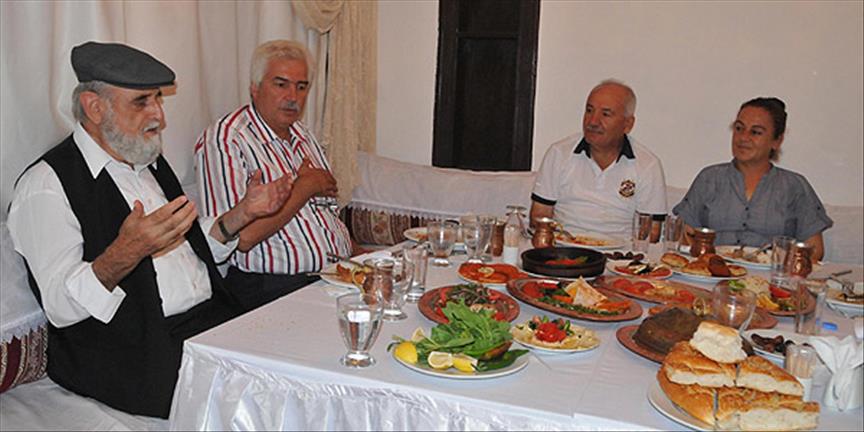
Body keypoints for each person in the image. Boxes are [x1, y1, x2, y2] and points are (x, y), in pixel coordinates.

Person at [7, 41, 293, 418]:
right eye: (142, 102)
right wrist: (127, 250)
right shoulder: (46, 185)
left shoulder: (145, 160)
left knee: (303, 364)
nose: (159, 115)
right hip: (128, 351)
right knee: (270, 405)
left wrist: (242, 214)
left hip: (208, 323)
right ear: (94, 107)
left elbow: (187, 248)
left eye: (158, 99)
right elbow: (60, 306)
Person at [195, 40, 353, 312]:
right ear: (254, 89)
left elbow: (326, 215)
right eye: (281, 84)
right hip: (269, 288)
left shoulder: (302, 134)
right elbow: (241, 238)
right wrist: (304, 188)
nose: (293, 96)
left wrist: (362, 256)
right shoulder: (226, 140)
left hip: (333, 277)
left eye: (301, 87)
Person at [673, 97, 832, 260]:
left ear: (777, 141)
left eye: (755, 132)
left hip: (771, 279)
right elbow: (682, 233)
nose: (743, 137)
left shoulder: (794, 186)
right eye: (739, 128)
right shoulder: (710, 178)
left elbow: (815, 250)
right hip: (713, 274)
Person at [530, 79, 668, 240]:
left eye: (605, 114)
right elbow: (539, 216)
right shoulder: (559, 153)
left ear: (628, 124)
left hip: (620, 257)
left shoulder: (647, 165)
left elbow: (651, 232)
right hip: (564, 251)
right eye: (589, 111)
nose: (593, 121)